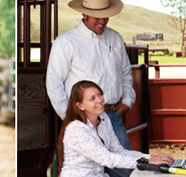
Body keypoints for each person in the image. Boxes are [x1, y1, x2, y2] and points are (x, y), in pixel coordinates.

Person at [46, 0, 135, 176]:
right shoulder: (65, 42)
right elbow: (54, 82)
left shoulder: (115, 38)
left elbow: (126, 73)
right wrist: (72, 118)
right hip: (82, 118)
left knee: (127, 171)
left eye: (105, 16)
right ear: (84, 14)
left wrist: (126, 103)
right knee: (85, 168)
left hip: (113, 116)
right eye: (97, 17)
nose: (102, 21)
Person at [57, 80, 174, 177]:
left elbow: (118, 151)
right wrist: (146, 162)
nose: (99, 100)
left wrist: (151, 157)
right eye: (92, 99)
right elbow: (106, 158)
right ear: (80, 106)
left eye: (100, 94)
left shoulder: (103, 118)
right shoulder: (76, 129)